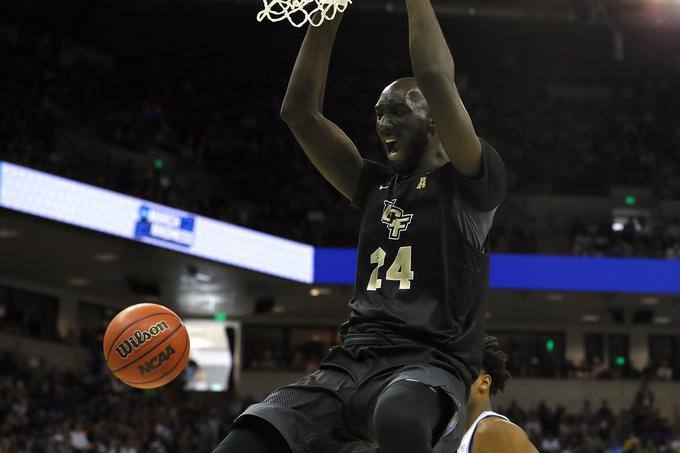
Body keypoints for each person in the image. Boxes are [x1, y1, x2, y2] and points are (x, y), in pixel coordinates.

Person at [213, 0, 507, 451]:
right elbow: (299, 114)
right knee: (247, 437)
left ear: (432, 117)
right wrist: (325, 17)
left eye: (397, 112)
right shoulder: (373, 185)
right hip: (347, 363)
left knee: (398, 415)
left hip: (427, 363)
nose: (383, 124)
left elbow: (433, 75)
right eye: (378, 114)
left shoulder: (471, 183)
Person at [458, 336, 537, 453]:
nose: (450, 383)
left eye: (459, 374)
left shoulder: (491, 431)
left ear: (484, 382)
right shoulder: (456, 438)